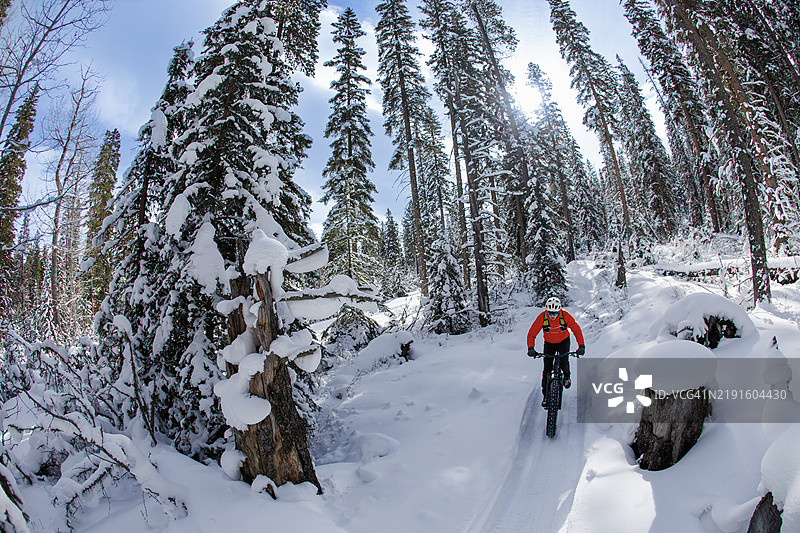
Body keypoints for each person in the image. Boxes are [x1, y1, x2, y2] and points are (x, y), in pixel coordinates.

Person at [526, 296, 585, 407]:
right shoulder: (542, 318)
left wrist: (581, 346)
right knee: (547, 369)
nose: (552, 316)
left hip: (563, 341)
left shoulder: (565, 316)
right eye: (550, 313)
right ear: (547, 311)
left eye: (555, 313)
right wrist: (531, 348)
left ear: (559, 311)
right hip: (549, 343)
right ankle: (546, 396)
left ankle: (566, 377)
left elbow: (576, 329)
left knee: (564, 361)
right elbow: (531, 334)